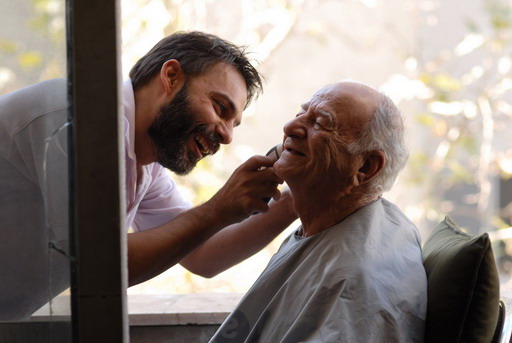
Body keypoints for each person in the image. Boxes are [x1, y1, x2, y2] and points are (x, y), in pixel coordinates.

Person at [0, 31, 297, 320]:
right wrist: (218, 209)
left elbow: (202, 255)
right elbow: (101, 265)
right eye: (220, 108)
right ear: (171, 76)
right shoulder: (78, 119)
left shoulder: (144, 162)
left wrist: (298, 198)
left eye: (234, 123)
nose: (227, 135)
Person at [210, 81, 427, 342]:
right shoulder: (337, 222)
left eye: (321, 123)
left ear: (366, 167)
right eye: (301, 114)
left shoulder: (351, 282)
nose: (290, 127)